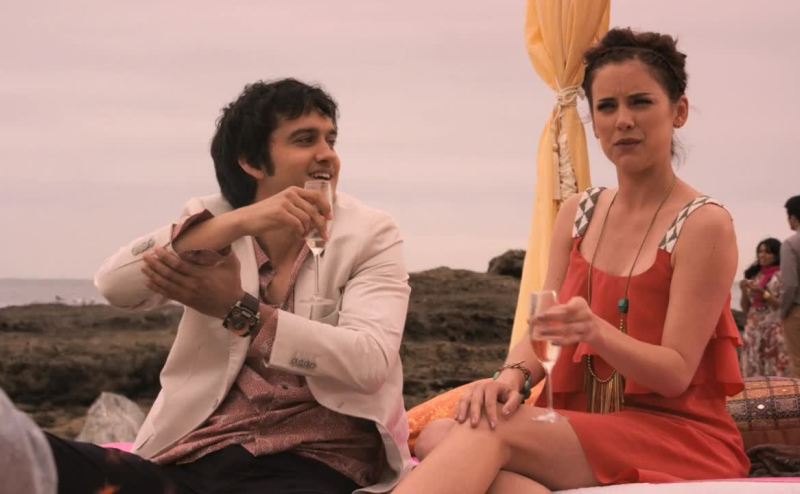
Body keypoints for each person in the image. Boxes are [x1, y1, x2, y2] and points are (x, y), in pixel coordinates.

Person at [394, 28, 748, 494]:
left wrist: (594, 331)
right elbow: (542, 332)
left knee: (483, 434)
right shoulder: (579, 212)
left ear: (678, 111)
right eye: (607, 107)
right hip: (582, 425)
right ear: (593, 122)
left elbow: (675, 372)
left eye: (641, 102)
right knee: (441, 431)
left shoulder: (703, 224)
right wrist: (510, 376)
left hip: (677, 435)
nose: (623, 120)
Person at [36, 78, 411, 493]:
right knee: (28, 452)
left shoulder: (370, 233)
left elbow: (369, 362)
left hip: (314, 460)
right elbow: (116, 285)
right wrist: (238, 221)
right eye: (305, 140)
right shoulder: (214, 222)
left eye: (331, 140)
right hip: (192, 457)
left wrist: (240, 310)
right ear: (251, 161)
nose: (327, 155)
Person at [739, 238, 786, 377]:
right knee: (751, 363)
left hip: (772, 327)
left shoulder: (781, 275)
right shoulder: (755, 275)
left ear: (776, 255)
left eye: (767, 252)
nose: (762, 255)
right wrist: (743, 291)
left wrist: (763, 293)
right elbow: (746, 308)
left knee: (772, 367)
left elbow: (779, 305)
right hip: (753, 327)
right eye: (760, 251)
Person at [781, 195, 800, 376]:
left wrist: (783, 311)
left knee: (798, 361)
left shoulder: (791, 244)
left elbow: (790, 285)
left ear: (793, 217)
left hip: (797, 310)